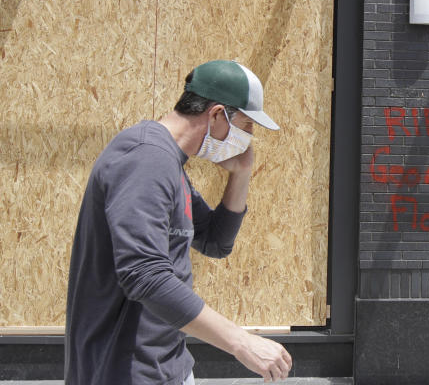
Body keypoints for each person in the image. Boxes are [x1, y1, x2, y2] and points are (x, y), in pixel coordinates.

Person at [65, 60, 292, 384]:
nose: (249, 137)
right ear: (216, 115)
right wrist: (241, 342)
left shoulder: (169, 164)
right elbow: (144, 274)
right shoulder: (145, 157)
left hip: (165, 366)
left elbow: (214, 241)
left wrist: (242, 172)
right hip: (121, 371)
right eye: (246, 125)